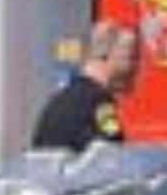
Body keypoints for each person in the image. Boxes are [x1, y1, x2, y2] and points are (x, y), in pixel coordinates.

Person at [31, 21, 144, 152]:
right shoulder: (97, 102)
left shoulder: (62, 98)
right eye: (130, 58)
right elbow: (113, 156)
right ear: (104, 55)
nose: (135, 68)